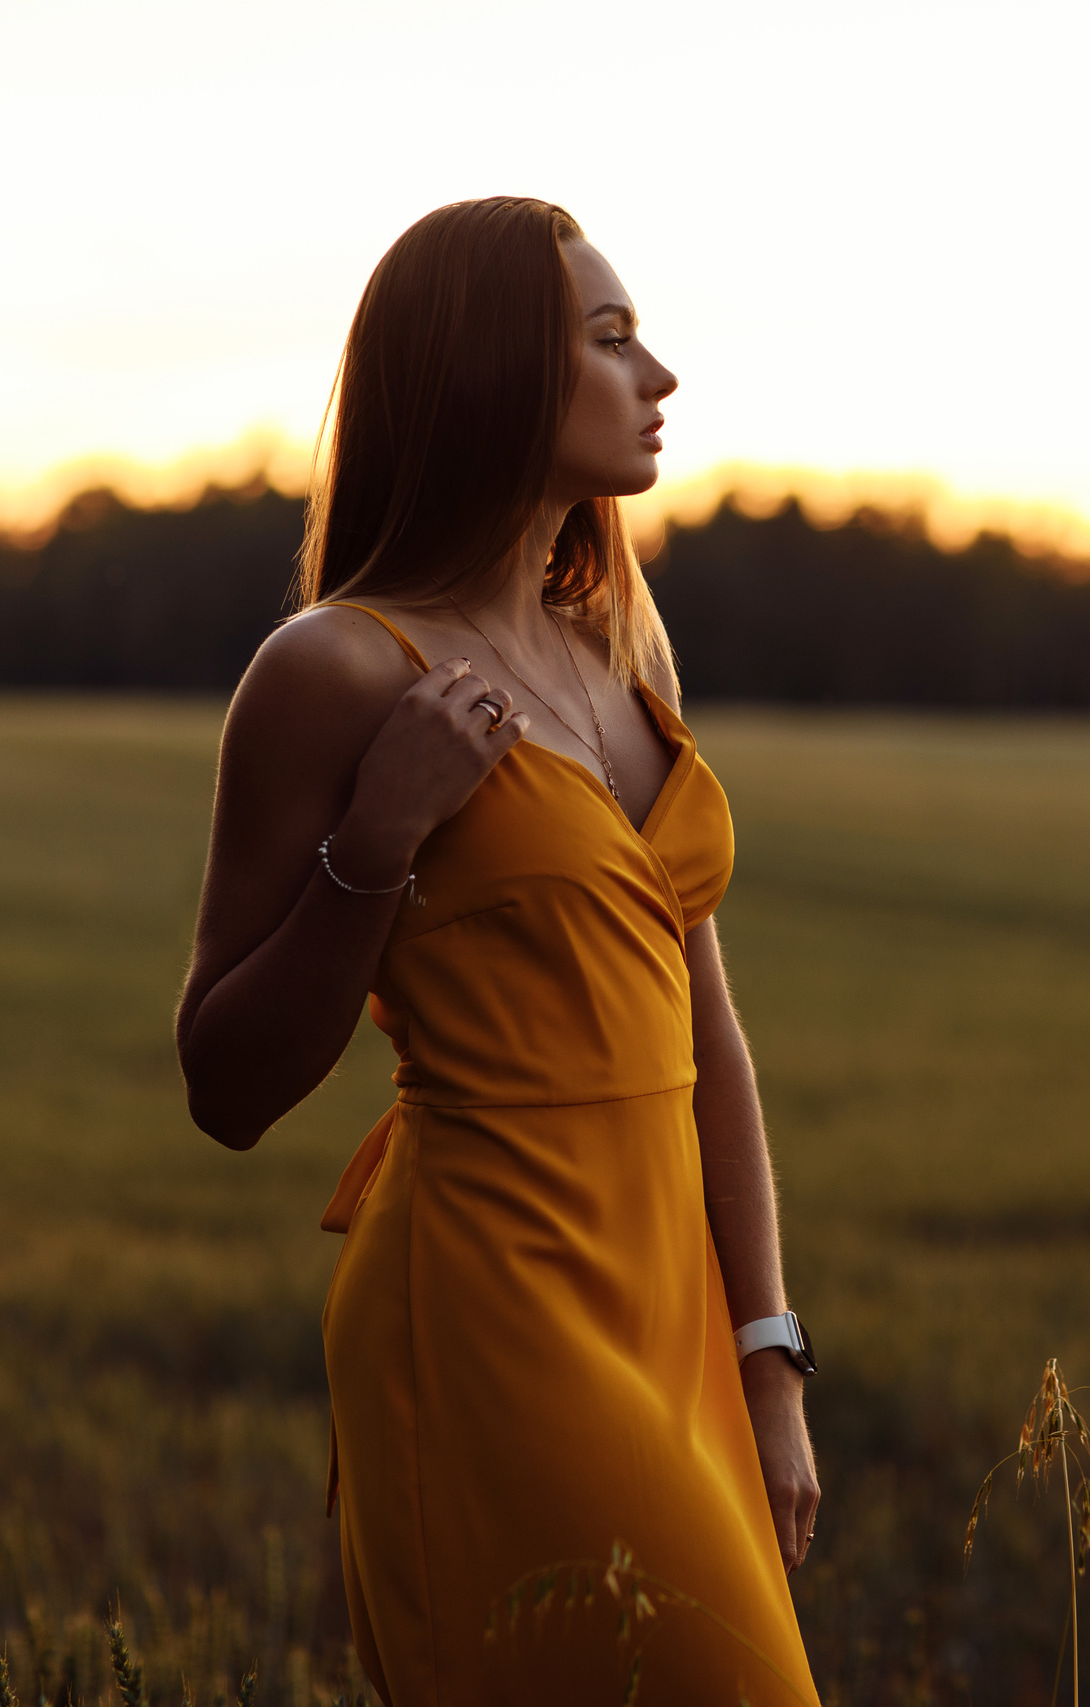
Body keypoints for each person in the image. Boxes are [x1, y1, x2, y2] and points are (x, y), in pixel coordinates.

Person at [174, 196, 822, 1706]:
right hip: (490, 1304)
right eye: (608, 340)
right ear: (488, 376)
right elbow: (224, 1081)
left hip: (665, 1300)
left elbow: (706, 1047)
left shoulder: (619, 661)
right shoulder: (333, 667)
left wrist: (769, 1358)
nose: (657, 376)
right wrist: (373, 850)